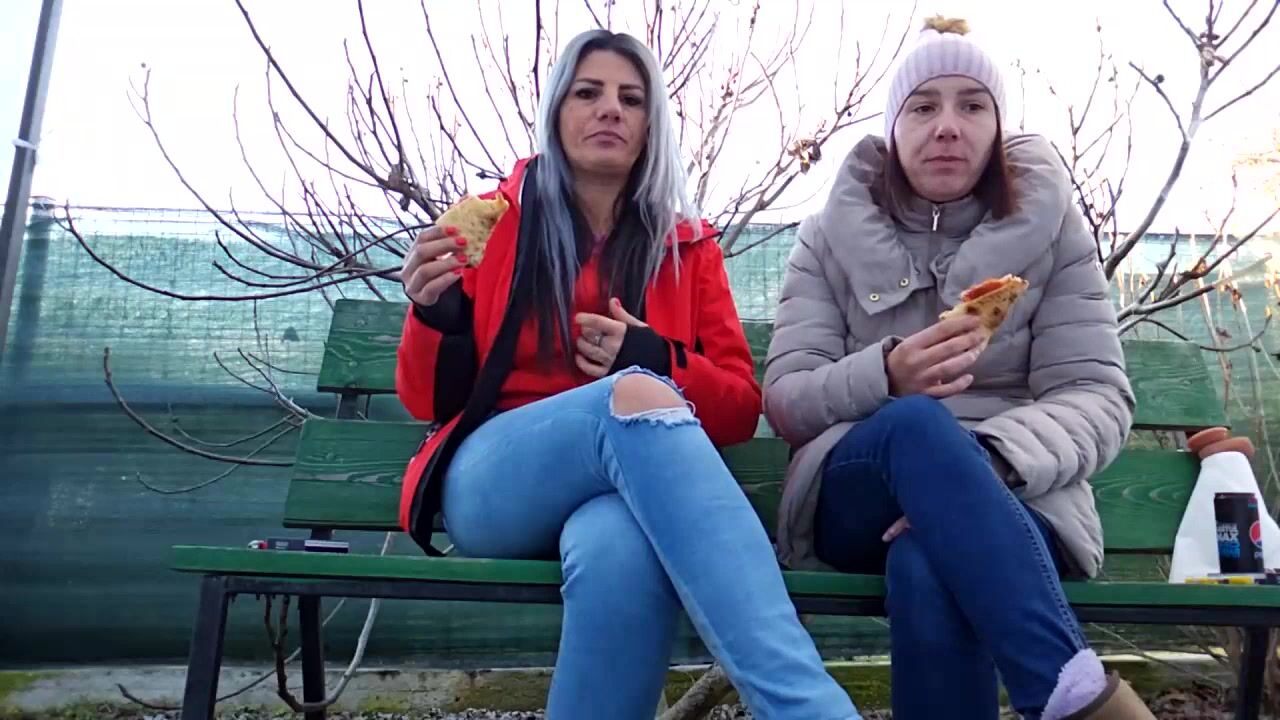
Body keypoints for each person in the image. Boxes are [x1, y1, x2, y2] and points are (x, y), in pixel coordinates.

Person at [394, 29, 861, 720]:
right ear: (558, 113)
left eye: (631, 98)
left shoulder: (688, 248)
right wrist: (435, 313)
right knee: (633, 397)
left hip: (622, 498)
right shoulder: (493, 226)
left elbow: (738, 409)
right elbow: (426, 400)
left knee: (620, 548)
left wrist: (654, 355)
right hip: (495, 484)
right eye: (588, 93)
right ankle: (807, 708)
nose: (609, 109)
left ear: (650, 126)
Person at [763, 16, 1156, 720]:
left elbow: (1096, 394)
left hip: (1020, 491)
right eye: (923, 107)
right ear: (893, 130)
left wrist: (990, 461)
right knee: (915, 423)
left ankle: (1067, 693)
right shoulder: (825, 238)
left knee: (928, 561)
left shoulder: (1056, 233)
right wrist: (885, 377)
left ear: (998, 128)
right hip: (858, 488)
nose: (947, 126)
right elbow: (788, 399)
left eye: (972, 105)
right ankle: (1071, 692)